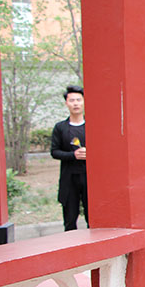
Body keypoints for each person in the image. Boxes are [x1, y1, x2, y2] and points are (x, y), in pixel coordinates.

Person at [51, 85, 88, 231]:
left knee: (93, 218)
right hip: (69, 178)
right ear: (66, 103)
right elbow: (54, 152)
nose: (76, 103)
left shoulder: (91, 125)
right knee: (70, 219)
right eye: (72, 100)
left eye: (79, 100)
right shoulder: (60, 128)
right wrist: (73, 155)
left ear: (84, 102)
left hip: (89, 177)